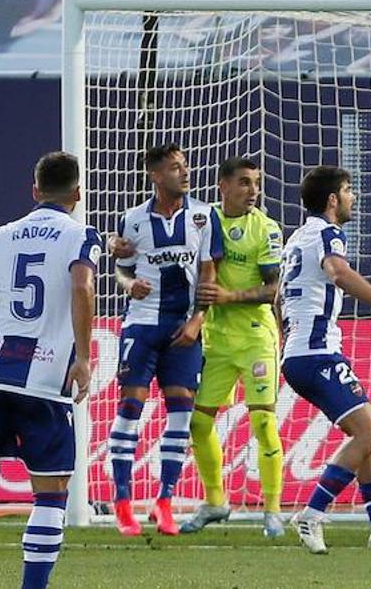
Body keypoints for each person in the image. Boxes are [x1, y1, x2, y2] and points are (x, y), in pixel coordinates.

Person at [0, 151, 99, 589]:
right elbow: (81, 285)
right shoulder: (80, 235)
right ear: (77, 193)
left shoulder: (2, 235)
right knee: (51, 493)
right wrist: (84, 356)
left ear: (34, 191)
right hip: (45, 381)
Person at [281, 166, 371, 553]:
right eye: (347, 191)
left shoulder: (296, 239)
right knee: (370, 434)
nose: (352, 197)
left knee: (369, 435)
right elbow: (338, 272)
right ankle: (311, 513)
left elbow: (281, 299)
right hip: (316, 353)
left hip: (301, 352)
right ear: (332, 200)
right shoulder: (328, 233)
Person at [109, 144, 222, 536]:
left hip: (183, 329)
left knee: (181, 412)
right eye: (175, 168)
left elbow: (210, 275)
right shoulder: (132, 219)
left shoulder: (204, 216)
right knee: (130, 406)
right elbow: (121, 271)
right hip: (141, 326)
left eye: (185, 166)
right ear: (155, 176)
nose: (184, 172)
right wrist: (130, 284)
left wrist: (198, 320)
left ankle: (164, 501)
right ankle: (122, 501)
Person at [180, 157, 286, 537]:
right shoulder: (203, 222)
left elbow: (274, 288)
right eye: (243, 183)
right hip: (217, 341)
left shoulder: (266, 229)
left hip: (257, 337)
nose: (252, 190)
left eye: (255, 183)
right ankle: (215, 502)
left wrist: (229, 296)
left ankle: (272, 510)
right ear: (222, 186)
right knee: (199, 422)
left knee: (262, 421)